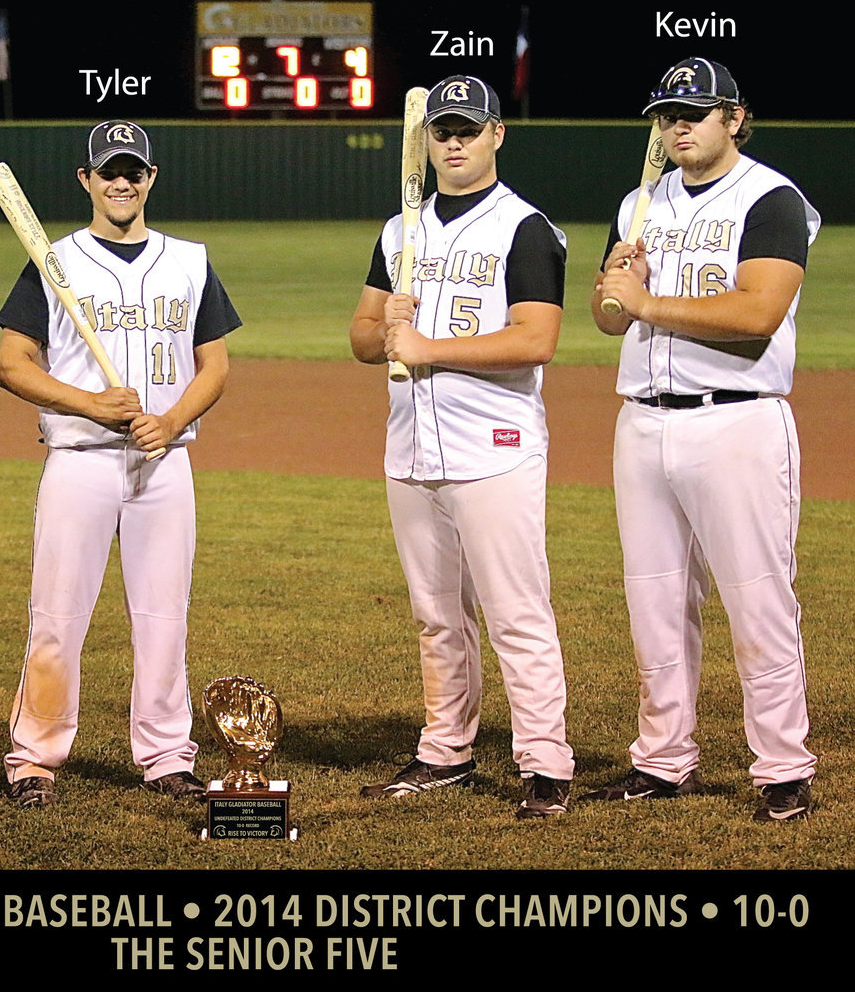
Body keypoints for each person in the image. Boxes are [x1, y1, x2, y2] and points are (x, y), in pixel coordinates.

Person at [587, 58, 820, 822]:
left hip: (737, 420)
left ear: (736, 117)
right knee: (654, 601)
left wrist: (647, 301)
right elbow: (609, 319)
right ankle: (662, 760)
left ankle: (783, 768)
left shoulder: (772, 197)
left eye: (695, 111)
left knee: (758, 600)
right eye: (667, 114)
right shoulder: (640, 202)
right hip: (642, 418)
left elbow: (758, 314)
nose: (678, 125)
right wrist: (617, 292)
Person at [0, 120, 241, 808]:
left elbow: (215, 364)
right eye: (109, 171)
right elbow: (11, 363)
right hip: (80, 461)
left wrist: (173, 419)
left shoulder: (189, 262)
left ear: (151, 178)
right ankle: (34, 760)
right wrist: (87, 403)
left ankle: (166, 756)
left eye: (134, 171)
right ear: (87, 180)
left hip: (165, 464)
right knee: (58, 616)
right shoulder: (55, 261)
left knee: (166, 617)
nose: (122, 182)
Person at [350, 76, 575, 819]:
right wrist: (388, 324)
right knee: (436, 614)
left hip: (497, 444)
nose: (453, 141)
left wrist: (429, 346)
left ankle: (546, 764)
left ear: (496, 134)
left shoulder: (525, 229)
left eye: (468, 129)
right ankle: (446, 750)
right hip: (412, 447)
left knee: (516, 611)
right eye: (442, 130)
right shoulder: (399, 230)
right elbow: (360, 338)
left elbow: (536, 340)